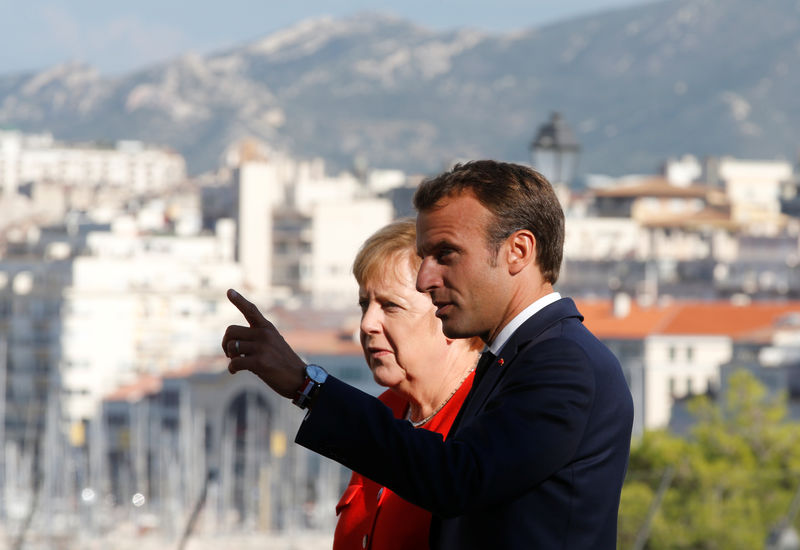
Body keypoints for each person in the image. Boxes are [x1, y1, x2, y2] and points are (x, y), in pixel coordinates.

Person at [222, 160, 634, 549]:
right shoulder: (523, 357)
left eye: (445, 254)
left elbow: (459, 479)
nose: (426, 277)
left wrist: (308, 386)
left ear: (519, 251)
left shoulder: (562, 360)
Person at [333, 218, 480, 550]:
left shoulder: (487, 415)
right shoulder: (383, 412)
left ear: (448, 312)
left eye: (390, 306)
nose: (368, 323)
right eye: (364, 305)